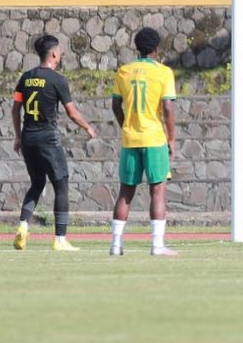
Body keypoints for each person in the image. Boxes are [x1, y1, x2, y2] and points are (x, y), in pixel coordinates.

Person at [12, 34, 97, 251]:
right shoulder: (58, 80)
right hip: (47, 138)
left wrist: (18, 136)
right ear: (53, 53)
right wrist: (87, 127)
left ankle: (23, 226)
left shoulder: (25, 77)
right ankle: (60, 239)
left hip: (28, 138)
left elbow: (15, 108)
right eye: (59, 51)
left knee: (37, 183)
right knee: (61, 184)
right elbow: (71, 112)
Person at [110, 27, 178, 256]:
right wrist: (172, 138)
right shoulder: (163, 72)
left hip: (131, 138)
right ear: (156, 49)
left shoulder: (124, 71)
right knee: (157, 191)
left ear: (136, 47)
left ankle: (115, 245)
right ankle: (157, 246)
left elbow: (115, 105)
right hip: (154, 138)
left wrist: (126, 125)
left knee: (125, 192)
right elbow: (167, 107)